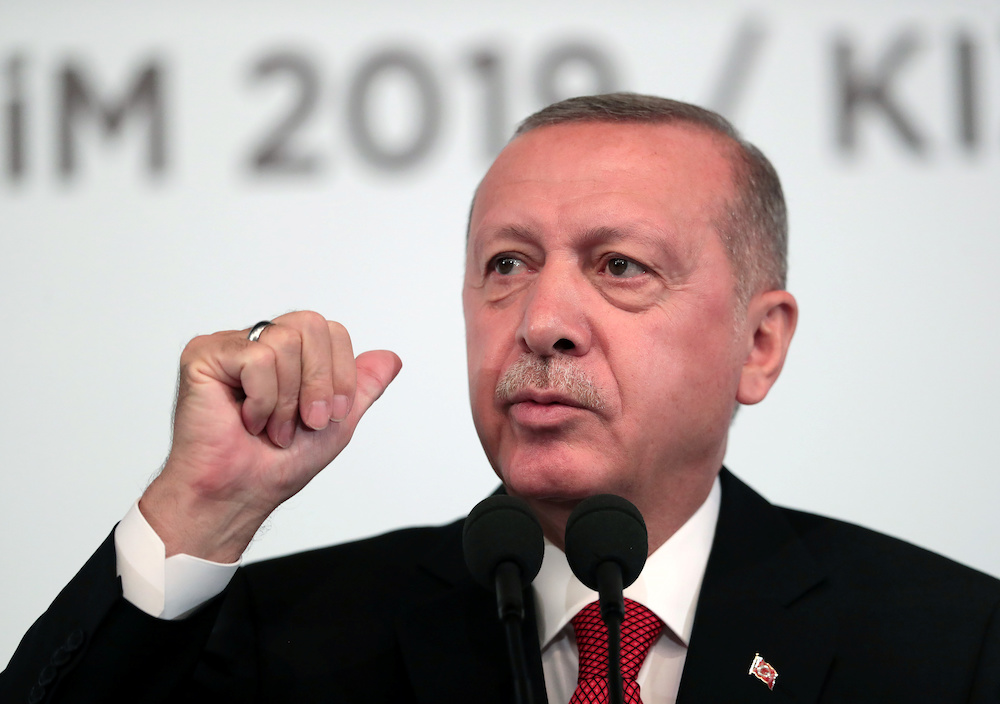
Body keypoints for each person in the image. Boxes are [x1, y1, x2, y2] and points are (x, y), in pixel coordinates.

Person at [2, 93, 998, 703]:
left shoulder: (948, 644)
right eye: (507, 263)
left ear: (759, 341)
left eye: (619, 265)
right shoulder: (293, 640)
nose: (541, 319)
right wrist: (201, 508)